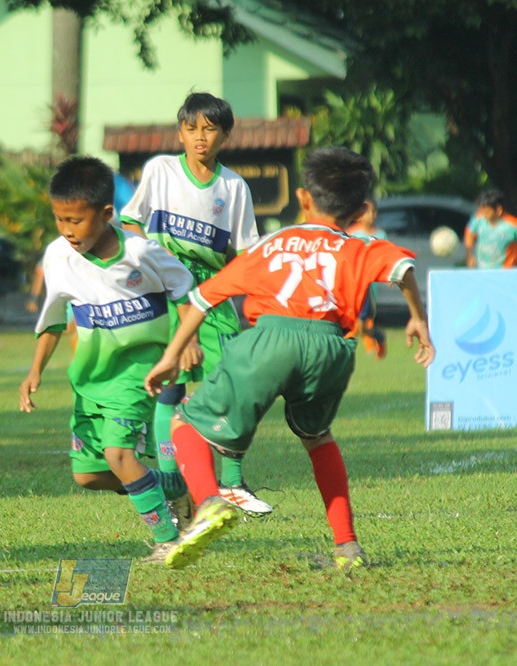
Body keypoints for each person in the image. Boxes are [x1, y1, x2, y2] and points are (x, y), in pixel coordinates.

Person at [143, 147, 435, 570]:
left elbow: (204, 298)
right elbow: (403, 267)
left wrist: (172, 356)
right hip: (331, 348)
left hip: (269, 339)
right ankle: (347, 548)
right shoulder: (357, 245)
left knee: (186, 421)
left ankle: (209, 502)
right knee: (318, 438)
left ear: (302, 198)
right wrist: (418, 319)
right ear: (361, 208)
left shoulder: (272, 243)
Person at [19, 156, 197, 563]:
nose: (67, 230)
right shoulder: (57, 256)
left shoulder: (141, 253)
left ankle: (170, 540)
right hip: (90, 380)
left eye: (76, 221)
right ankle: (172, 488)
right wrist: (34, 372)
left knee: (120, 456)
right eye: (59, 219)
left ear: (105, 214)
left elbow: (185, 291)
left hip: (138, 374)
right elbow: (51, 320)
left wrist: (184, 342)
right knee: (89, 475)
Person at [119, 92, 268, 516]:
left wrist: (252, 302)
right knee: (171, 386)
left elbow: (245, 253)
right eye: (191, 128)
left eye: (209, 129)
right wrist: (148, 258)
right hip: (167, 297)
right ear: (179, 132)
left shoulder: (234, 187)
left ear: (225, 134)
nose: (199, 137)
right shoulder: (161, 170)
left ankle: (234, 483)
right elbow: (130, 221)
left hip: (214, 299)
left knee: (232, 387)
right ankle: (171, 483)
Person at [345, 199, 388, 358]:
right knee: (353, 324)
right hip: (351, 283)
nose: (371, 215)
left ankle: (377, 339)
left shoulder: (380, 234)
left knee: (362, 325)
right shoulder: (351, 233)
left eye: (373, 211)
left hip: (367, 285)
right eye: (366, 211)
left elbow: (385, 257)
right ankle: (376, 340)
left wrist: (389, 275)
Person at [465, 188, 517, 269]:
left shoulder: (514, 224)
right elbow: (469, 234)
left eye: (487, 212)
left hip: (505, 273)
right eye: (481, 211)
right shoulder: (477, 219)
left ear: (499, 210)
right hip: (481, 271)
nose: (483, 214)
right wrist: (469, 254)